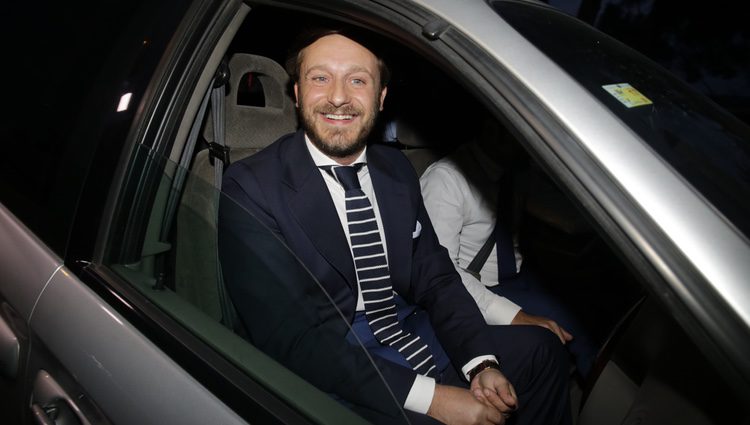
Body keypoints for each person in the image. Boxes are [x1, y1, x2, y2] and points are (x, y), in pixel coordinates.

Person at [218, 26, 571, 425]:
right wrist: (434, 398)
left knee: (542, 350)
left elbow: (436, 278)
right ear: (297, 92)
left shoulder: (396, 170)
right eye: (320, 78)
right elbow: (294, 341)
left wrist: (480, 363)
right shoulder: (251, 187)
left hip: (408, 326)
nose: (338, 96)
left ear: (380, 97)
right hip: (333, 354)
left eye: (357, 80)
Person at [419, 120, 597, 379]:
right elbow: (441, 274)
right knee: (559, 340)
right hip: (479, 287)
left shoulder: (516, 172)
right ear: (494, 128)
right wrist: (517, 316)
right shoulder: (445, 180)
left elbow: (560, 213)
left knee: (582, 319)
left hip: (518, 274)